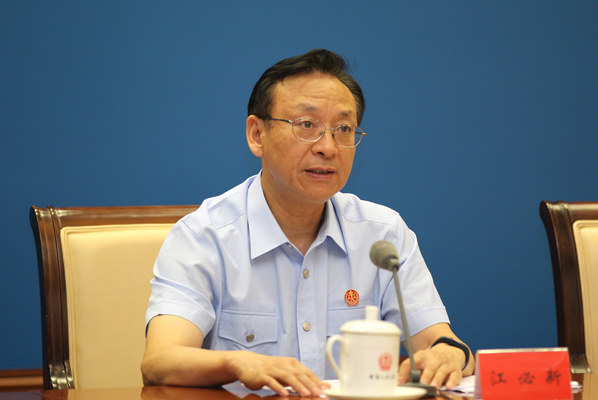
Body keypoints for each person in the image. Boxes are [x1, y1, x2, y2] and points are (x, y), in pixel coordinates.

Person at [141, 49, 474, 396]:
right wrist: (237, 363)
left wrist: (447, 355)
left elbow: (441, 342)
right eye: (306, 125)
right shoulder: (203, 237)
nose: (328, 147)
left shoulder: (383, 236)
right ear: (257, 134)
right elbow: (159, 361)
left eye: (343, 129)